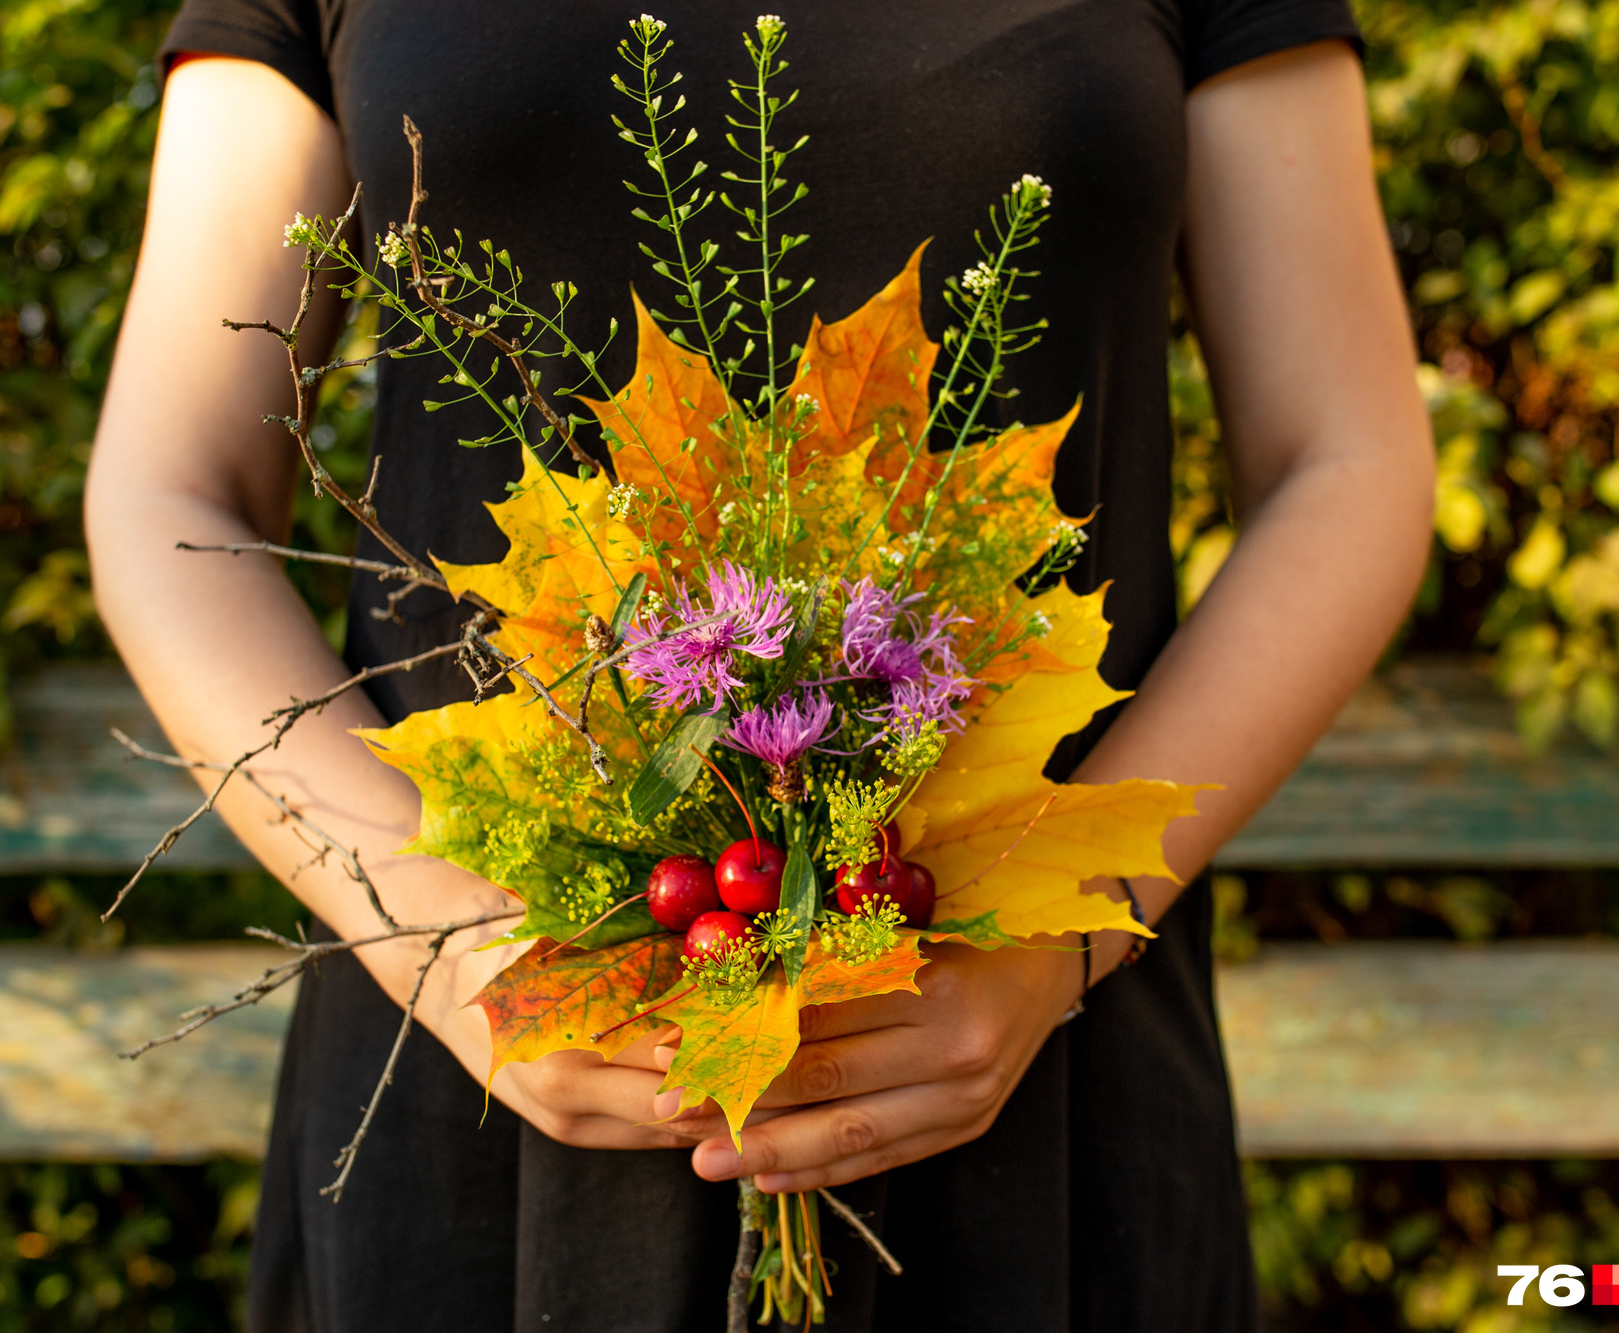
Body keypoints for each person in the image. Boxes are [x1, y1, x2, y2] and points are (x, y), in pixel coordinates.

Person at [85, 1, 1432, 1328]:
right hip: (476, 1088)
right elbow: (173, 489)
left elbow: (1349, 462)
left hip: (1030, 1076)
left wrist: (1068, 926)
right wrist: (445, 945)